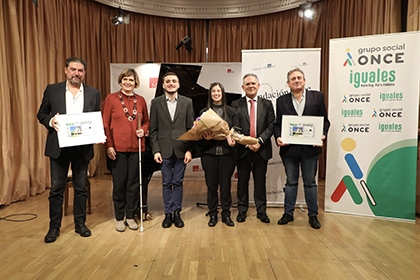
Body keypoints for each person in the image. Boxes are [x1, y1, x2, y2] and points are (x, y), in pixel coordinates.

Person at [37, 57, 101, 243]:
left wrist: (96, 134)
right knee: (56, 189)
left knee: (81, 188)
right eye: (73, 69)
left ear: (84, 73)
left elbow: (95, 117)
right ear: (66, 70)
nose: (76, 73)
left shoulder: (93, 93)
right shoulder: (52, 89)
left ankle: (80, 224)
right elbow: (41, 113)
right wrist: (51, 121)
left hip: (82, 148)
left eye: (80, 70)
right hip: (59, 148)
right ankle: (54, 227)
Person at [275, 68, 330, 229]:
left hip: (310, 150)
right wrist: (278, 136)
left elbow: (325, 121)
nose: (297, 80)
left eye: (299, 78)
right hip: (289, 150)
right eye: (293, 79)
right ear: (288, 83)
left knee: (310, 183)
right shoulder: (281, 100)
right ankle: (288, 213)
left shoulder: (317, 97)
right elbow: (278, 124)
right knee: (291, 182)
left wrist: (322, 135)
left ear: (304, 81)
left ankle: (313, 215)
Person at [102, 68, 150, 232]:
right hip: (117, 149)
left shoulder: (141, 100)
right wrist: (109, 145)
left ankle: (130, 216)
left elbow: (146, 121)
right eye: (125, 79)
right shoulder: (111, 98)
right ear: (120, 81)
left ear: (136, 82)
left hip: (137, 149)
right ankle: (119, 217)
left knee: (133, 184)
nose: (128, 82)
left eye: (131, 80)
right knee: (119, 184)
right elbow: (105, 124)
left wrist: (143, 130)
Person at [149, 72, 195, 228]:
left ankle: (177, 213)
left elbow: (191, 129)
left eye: (174, 81)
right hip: (164, 150)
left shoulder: (187, 102)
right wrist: (155, 150)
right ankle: (168, 214)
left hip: (182, 150)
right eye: (167, 81)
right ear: (162, 85)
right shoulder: (156, 103)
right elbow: (153, 130)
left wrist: (189, 150)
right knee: (166, 183)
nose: (171, 83)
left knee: (178, 182)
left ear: (179, 84)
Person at [232, 73, 275, 223]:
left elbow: (271, 125)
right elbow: (235, 127)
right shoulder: (235, 104)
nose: (251, 86)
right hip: (242, 150)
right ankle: (242, 210)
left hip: (261, 150)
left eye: (253, 83)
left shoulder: (267, 104)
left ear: (258, 86)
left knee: (260, 182)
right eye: (247, 84)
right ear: (243, 87)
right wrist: (247, 142)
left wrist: (259, 142)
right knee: (242, 182)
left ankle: (261, 211)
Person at [199, 82, 239, 227]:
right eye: (213, 91)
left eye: (218, 91)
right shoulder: (204, 111)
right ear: (210, 94)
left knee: (226, 186)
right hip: (209, 154)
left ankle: (226, 214)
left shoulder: (231, 111)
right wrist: (205, 137)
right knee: (211, 186)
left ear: (222, 93)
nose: (216, 93)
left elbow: (236, 129)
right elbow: (199, 135)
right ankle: (213, 214)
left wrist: (232, 139)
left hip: (227, 154)